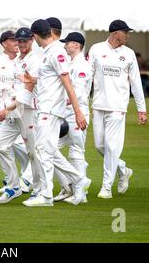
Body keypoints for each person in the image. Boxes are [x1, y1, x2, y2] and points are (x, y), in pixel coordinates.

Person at [23, 19, 90, 207]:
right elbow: (51, 80)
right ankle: (79, 179)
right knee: (48, 151)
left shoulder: (56, 53)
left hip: (50, 110)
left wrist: (78, 112)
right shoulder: (49, 53)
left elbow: (67, 83)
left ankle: (46, 195)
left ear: (36, 35)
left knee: (42, 151)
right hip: (46, 108)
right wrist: (32, 79)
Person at [88, 19, 147, 199]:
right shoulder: (96, 49)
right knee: (100, 146)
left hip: (118, 106)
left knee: (112, 147)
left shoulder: (128, 54)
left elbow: (136, 83)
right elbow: (87, 77)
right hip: (98, 104)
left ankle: (106, 187)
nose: (128, 35)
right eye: (125, 32)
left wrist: (141, 109)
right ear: (115, 33)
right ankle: (122, 169)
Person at [0, 28, 34, 204]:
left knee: (34, 153)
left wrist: (7, 109)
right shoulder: (16, 61)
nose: (21, 44)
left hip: (28, 112)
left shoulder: (34, 61)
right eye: (19, 41)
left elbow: (27, 92)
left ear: (32, 41)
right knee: (0, 146)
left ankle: (43, 190)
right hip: (13, 112)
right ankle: (14, 186)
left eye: (24, 41)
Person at [53, 32, 92, 204]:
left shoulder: (82, 65)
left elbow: (79, 93)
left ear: (76, 45)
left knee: (76, 152)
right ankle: (71, 185)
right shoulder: (71, 63)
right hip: (67, 113)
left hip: (78, 113)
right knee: (49, 148)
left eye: (67, 43)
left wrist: (77, 113)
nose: (64, 46)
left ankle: (80, 194)